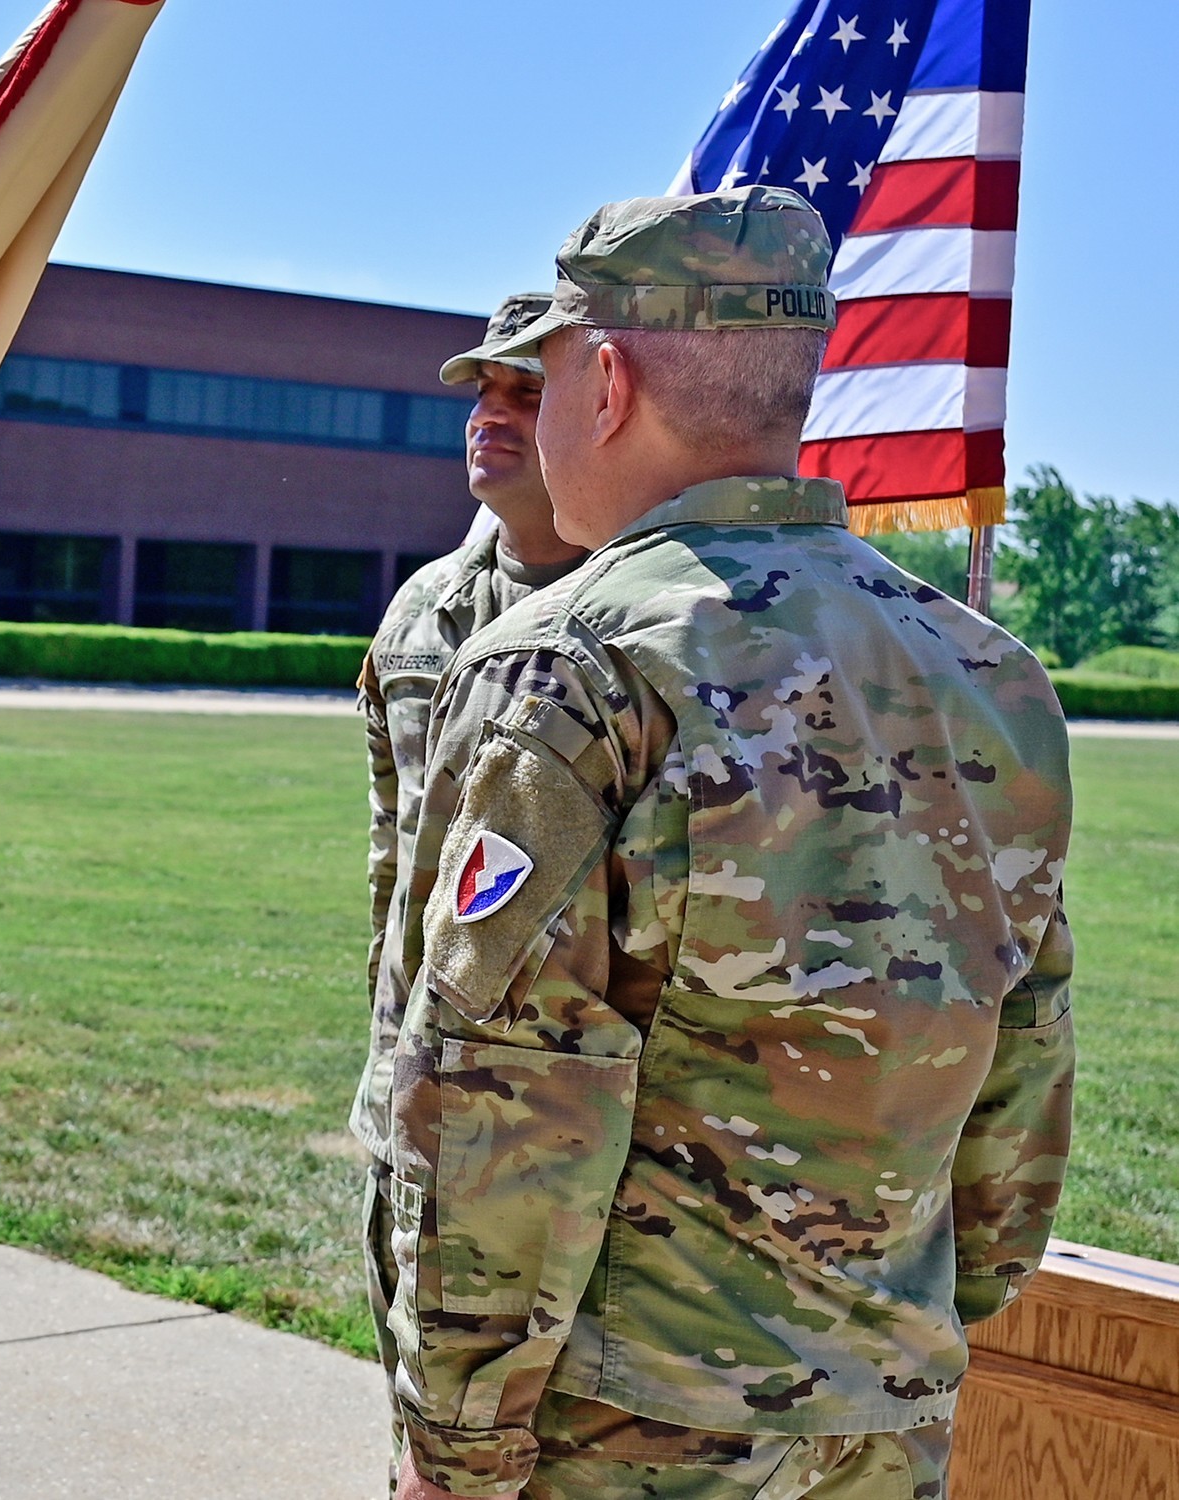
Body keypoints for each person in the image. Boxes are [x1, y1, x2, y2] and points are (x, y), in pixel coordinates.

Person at [381, 187, 1074, 1500]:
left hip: (630, 1429)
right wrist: (936, 1307)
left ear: (603, 380)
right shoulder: (989, 672)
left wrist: (451, 1444)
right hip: (880, 1407)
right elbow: (1021, 1045)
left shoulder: (568, 665)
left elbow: (503, 1099)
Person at [355, 292, 588, 1487]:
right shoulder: (421, 617)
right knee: (424, 1435)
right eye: (479, 395)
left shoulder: (642, 627)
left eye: (524, 391)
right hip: (418, 1107)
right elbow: (397, 869)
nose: (486, 418)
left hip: (577, 1147)